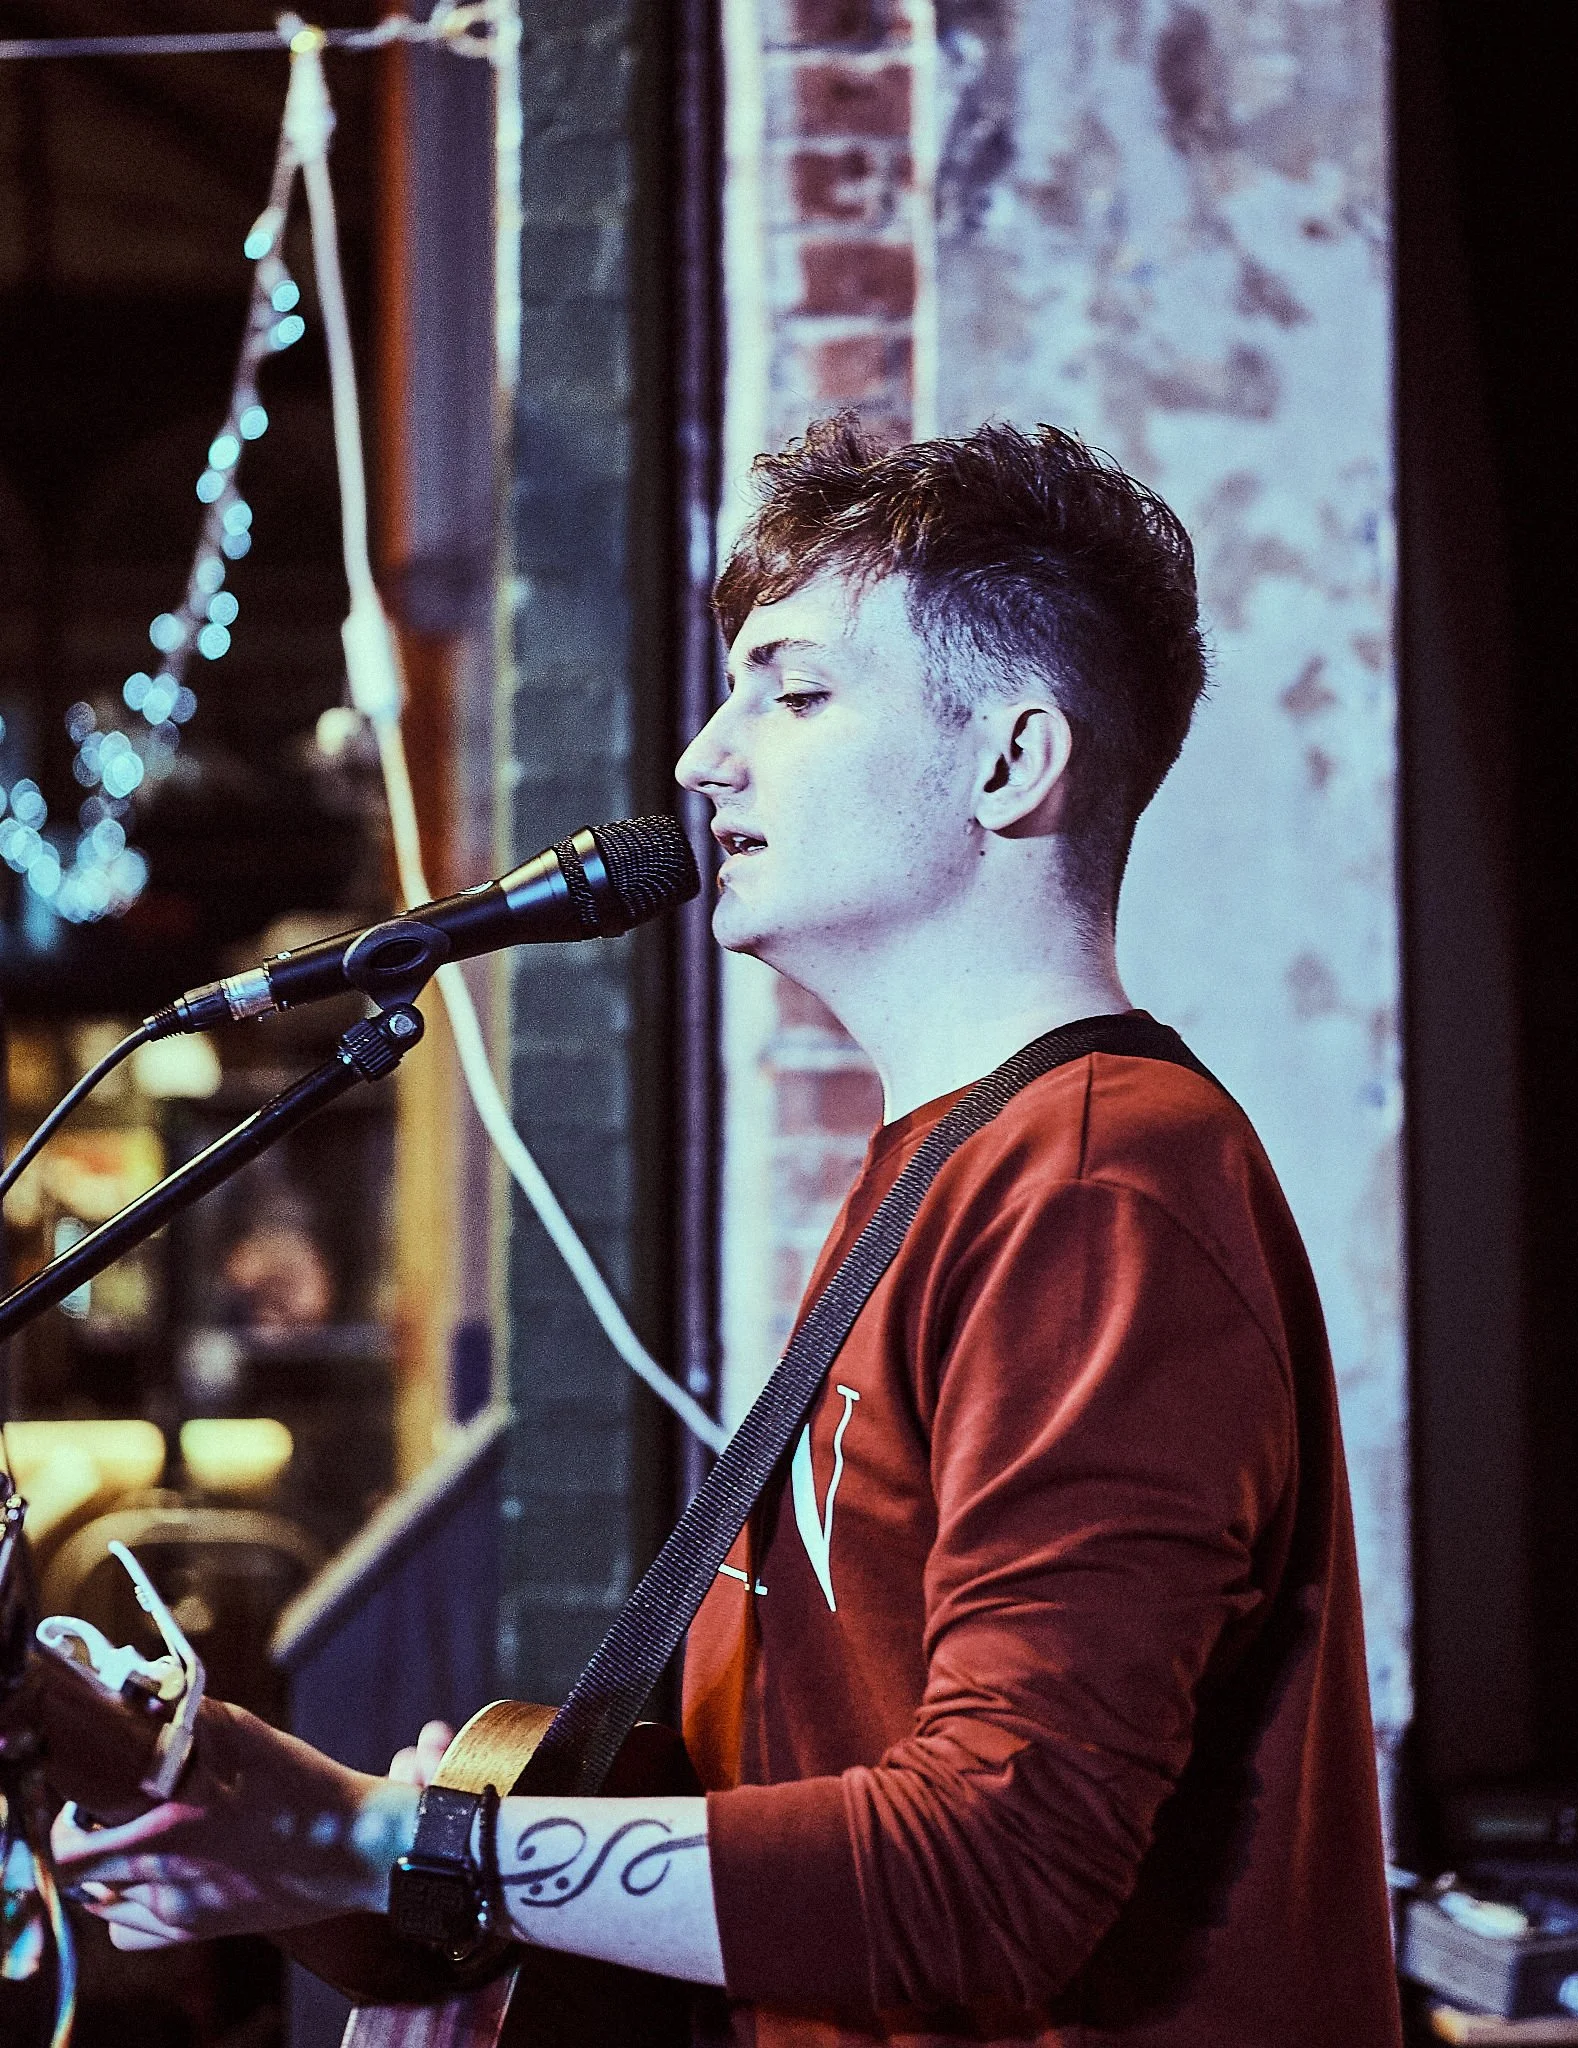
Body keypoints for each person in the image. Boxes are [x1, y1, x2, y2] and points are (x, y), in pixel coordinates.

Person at [55, 419, 1403, 2045]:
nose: (704, 755)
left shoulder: (1098, 1181)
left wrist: (383, 1839)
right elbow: (787, 1835)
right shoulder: (954, 1170)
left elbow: (997, 1873)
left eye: (797, 688)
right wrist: (347, 1863)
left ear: (1008, 764)